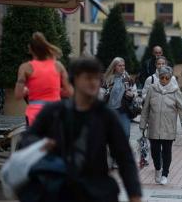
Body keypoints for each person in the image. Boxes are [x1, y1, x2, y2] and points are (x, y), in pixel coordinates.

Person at [21, 57, 142, 202]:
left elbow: (124, 157)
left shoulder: (105, 115)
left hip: (96, 189)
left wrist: (134, 195)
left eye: (96, 78)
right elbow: (27, 139)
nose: (93, 83)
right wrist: (42, 145)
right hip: (61, 189)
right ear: (75, 79)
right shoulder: (54, 112)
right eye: (88, 78)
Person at [140, 66, 182, 185]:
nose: (164, 80)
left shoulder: (175, 90)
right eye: (162, 77)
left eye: (167, 78)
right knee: (155, 151)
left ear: (170, 78)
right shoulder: (152, 89)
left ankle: (165, 174)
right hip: (154, 125)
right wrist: (142, 124)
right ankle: (158, 169)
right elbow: (146, 108)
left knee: (167, 151)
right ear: (159, 78)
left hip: (169, 126)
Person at [15, 32, 73, 126]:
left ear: (31, 50)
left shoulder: (25, 67)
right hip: (55, 112)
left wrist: (27, 90)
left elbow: (18, 95)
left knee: (34, 140)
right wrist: (55, 90)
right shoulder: (58, 66)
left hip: (35, 115)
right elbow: (70, 92)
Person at [101, 57, 136, 138]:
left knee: (126, 134)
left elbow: (134, 92)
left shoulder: (127, 79)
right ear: (114, 67)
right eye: (119, 65)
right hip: (110, 111)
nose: (122, 67)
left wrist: (132, 95)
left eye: (123, 65)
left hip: (124, 110)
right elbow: (101, 93)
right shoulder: (107, 79)